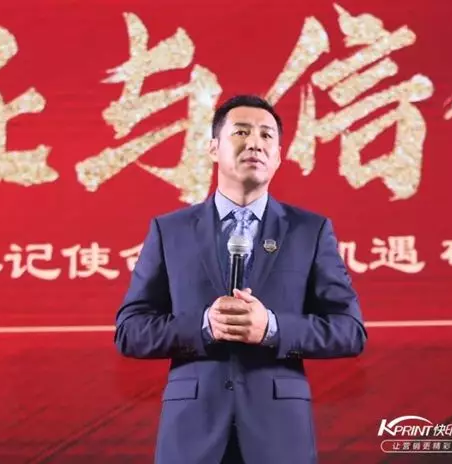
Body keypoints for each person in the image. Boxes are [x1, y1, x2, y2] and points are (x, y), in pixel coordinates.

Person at [114, 94, 367, 464]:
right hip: (191, 434)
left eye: (266, 136)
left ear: (278, 156)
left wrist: (272, 328)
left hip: (278, 435)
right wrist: (204, 326)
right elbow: (130, 330)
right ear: (213, 148)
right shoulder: (170, 231)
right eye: (242, 132)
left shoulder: (309, 231)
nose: (255, 144)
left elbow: (349, 330)